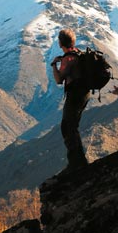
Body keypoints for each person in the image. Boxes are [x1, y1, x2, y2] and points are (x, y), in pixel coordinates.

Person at [51, 28, 90, 171]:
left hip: (75, 95)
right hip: (83, 93)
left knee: (67, 127)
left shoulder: (68, 58)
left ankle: (76, 163)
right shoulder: (78, 53)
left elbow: (59, 80)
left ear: (61, 42)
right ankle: (78, 160)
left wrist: (54, 65)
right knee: (71, 126)